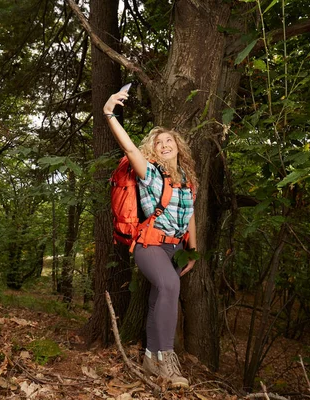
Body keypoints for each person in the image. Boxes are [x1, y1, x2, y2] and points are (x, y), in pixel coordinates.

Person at [103, 88, 198, 388]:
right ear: (154, 151)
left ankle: (150, 360)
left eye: (170, 140)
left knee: (160, 298)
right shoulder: (150, 173)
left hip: (175, 248)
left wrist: (192, 251)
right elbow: (131, 149)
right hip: (149, 245)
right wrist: (109, 113)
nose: (165, 144)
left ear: (178, 146)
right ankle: (167, 361)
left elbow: (191, 215)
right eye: (159, 143)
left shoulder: (188, 180)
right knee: (170, 285)